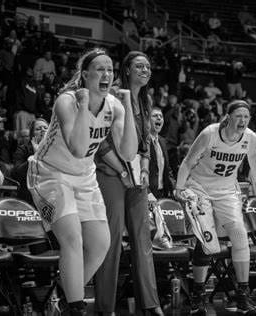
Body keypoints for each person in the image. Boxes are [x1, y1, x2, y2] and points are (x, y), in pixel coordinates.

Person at [27, 48, 138, 316]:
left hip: (84, 176)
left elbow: (128, 153)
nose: (106, 74)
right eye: (99, 69)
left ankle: (63, 294)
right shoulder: (66, 101)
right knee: (73, 239)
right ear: (85, 74)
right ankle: (76, 308)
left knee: (101, 243)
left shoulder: (114, 105)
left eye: (110, 69)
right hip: (50, 173)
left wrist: (130, 105)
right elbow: (78, 147)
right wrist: (84, 104)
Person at [175, 100, 256, 316]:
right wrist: (179, 188)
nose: (243, 120)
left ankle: (243, 296)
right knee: (207, 240)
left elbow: (253, 158)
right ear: (228, 117)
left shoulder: (250, 138)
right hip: (200, 187)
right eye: (238, 116)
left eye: (246, 116)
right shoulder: (210, 133)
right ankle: (198, 296)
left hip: (227, 190)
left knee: (239, 234)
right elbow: (188, 161)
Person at [93, 51, 163, 316]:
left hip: (137, 178)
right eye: (139, 66)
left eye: (147, 66)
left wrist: (144, 170)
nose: (145, 70)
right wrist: (122, 170)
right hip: (110, 174)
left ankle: (151, 303)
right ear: (127, 70)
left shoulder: (145, 102)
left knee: (142, 241)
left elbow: (145, 143)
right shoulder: (110, 98)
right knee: (110, 243)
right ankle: (105, 307)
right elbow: (100, 141)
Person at [11, 118, 49, 203]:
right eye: (38, 129)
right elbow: (16, 173)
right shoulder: (23, 149)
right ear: (32, 135)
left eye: (46, 128)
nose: (43, 130)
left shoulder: (57, 148)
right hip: (30, 194)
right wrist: (35, 156)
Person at [148, 106, 174, 199]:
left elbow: (168, 169)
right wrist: (147, 193)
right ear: (147, 120)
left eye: (161, 116)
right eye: (155, 116)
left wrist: (174, 188)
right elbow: (137, 170)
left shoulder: (162, 141)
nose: (159, 118)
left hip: (162, 193)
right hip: (147, 194)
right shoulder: (141, 141)